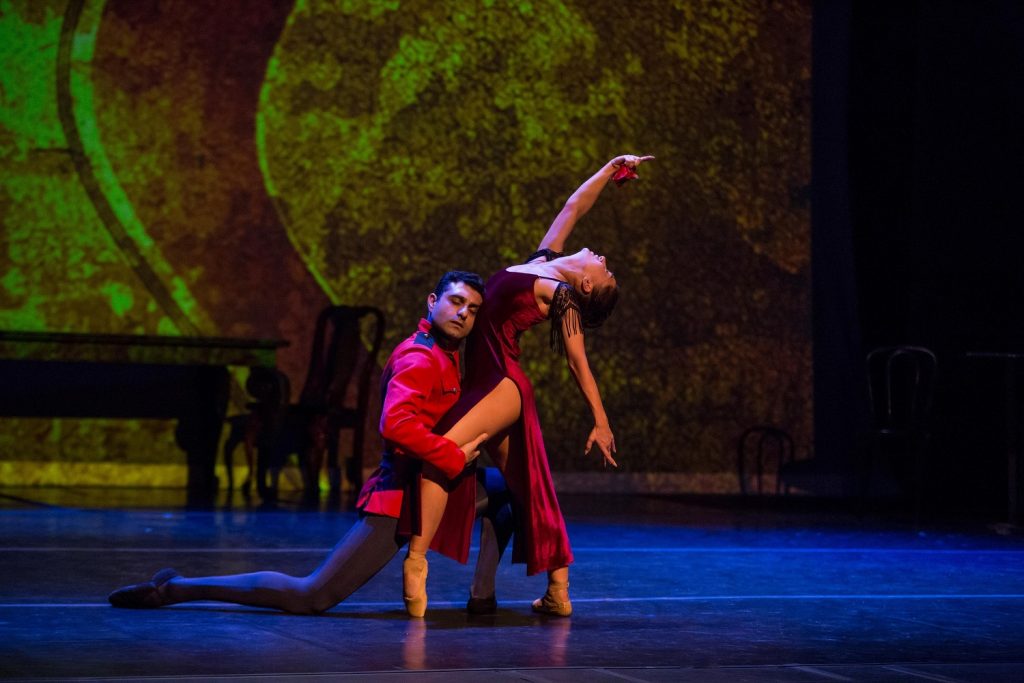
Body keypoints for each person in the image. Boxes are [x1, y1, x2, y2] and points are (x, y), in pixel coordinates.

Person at [108, 271, 512, 615]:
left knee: (511, 494)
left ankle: (482, 595)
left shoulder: (447, 355)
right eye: (456, 301)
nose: (463, 313)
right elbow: (395, 424)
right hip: (401, 498)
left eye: (472, 308)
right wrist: (451, 456)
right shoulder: (420, 359)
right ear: (432, 302)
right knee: (313, 595)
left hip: (438, 485)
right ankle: (177, 587)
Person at [400, 154, 654, 618]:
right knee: (527, 487)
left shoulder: (559, 297)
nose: (603, 259)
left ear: (587, 286)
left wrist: (600, 420)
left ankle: (416, 562)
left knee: (438, 453)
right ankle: (558, 590)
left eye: (605, 271)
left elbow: (579, 362)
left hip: (502, 386)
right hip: (488, 385)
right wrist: (610, 168)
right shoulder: (543, 264)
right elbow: (573, 208)